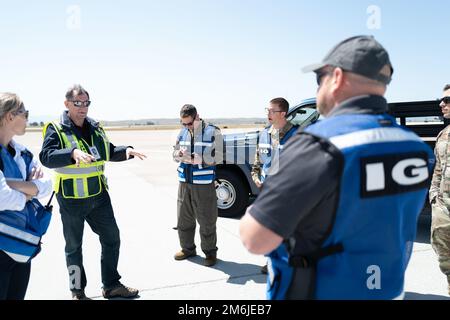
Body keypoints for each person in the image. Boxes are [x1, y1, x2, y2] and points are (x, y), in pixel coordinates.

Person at [239, 35, 435, 300]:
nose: (319, 87)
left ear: (338, 77)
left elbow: (255, 239)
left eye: (320, 78)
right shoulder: (415, 148)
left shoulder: (318, 146)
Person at [39, 84, 146, 300]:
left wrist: (126, 151)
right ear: (67, 103)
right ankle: (77, 291)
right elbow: (46, 156)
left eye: (86, 103)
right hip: (71, 199)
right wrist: (72, 153)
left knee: (112, 238)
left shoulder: (95, 127)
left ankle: (111, 284)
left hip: (98, 196)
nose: (83, 107)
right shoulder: (56, 128)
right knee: (73, 247)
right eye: (78, 103)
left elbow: (107, 151)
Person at [0, 93, 53, 300]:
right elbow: (2, 198)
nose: (28, 119)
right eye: (25, 113)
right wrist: (29, 192)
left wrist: (11, 185)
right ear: (10, 117)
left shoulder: (23, 153)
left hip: (21, 246)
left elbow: (46, 185)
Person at [251, 97, 298, 275]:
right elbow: (258, 161)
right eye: (267, 110)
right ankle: (273, 261)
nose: (268, 114)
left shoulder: (297, 135)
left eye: (272, 111)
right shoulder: (264, 134)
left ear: (283, 113)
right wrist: (256, 177)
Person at [172, 104, 222, 267]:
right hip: (184, 182)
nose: (187, 126)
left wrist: (202, 160)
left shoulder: (213, 131)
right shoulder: (182, 132)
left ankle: (210, 252)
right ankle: (187, 249)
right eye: (183, 123)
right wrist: (178, 155)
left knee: (207, 220)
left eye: (189, 123)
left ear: (197, 117)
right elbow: (174, 153)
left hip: (203, 184)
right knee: (183, 219)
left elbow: (221, 156)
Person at [429, 84, 450, 295]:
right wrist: (434, 197)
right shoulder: (443, 135)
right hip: (444, 210)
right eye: (442, 99)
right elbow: (438, 169)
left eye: (447, 100)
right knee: (445, 259)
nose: (442, 104)